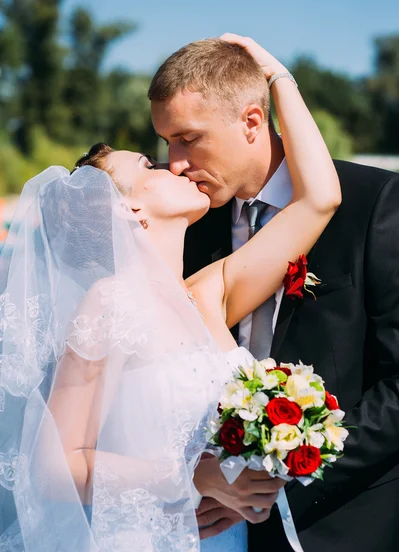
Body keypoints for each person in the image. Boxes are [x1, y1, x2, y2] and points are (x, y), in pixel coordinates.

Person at [0, 41, 340, 551]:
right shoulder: (109, 303)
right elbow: (53, 466)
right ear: (129, 213)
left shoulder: (206, 294)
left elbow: (319, 198)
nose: (176, 166)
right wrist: (192, 477)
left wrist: (274, 76)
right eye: (151, 164)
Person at [149, 34, 399, 552]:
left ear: (252, 121)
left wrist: (287, 475)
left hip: (350, 524)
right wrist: (201, 477)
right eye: (166, 141)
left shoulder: (374, 204)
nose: (174, 163)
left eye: (188, 138)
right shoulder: (183, 229)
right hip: (220, 522)